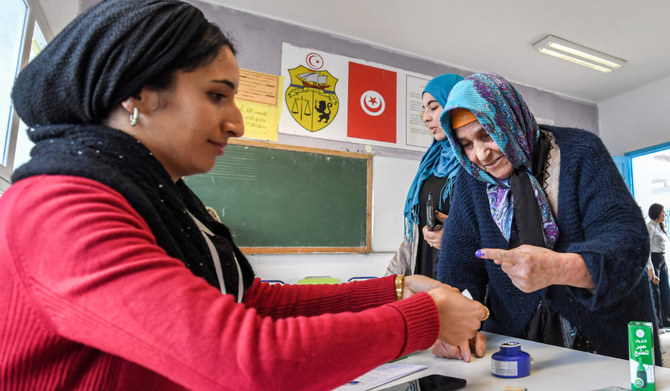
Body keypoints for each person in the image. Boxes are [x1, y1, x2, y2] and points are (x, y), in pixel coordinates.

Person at [0, 1, 488, 390]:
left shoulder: (163, 199)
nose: (237, 122)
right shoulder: (60, 207)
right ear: (140, 95)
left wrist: (399, 290)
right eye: (217, 95)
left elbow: (253, 303)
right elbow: (246, 360)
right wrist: (424, 318)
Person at [432, 72, 660, 362]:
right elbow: (459, 266)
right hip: (517, 344)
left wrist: (561, 268)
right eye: (466, 144)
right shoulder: (472, 180)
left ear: (510, 119)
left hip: (605, 336)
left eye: (486, 134)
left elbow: (628, 242)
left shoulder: (582, 152)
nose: (480, 154)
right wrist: (458, 321)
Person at [386, 74, 463, 278]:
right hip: (424, 276)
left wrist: (455, 239)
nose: (425, 116)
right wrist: (389, 281)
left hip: (459, 281)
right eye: (424, 109)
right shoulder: (430, 163)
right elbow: (415, 233)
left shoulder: (479, 164)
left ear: (454, 106)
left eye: (434, 107)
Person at [648, 203, 670, 329]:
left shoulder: (659, 227)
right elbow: (646, 250)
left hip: (662, 260)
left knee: (666, 291)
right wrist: (651, 269)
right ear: (657, 213)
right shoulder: (650, 227)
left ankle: (667, 320)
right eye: (663, 212)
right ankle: (659, 324)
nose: (665, 214)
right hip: (654, 260)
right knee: (656, 293)